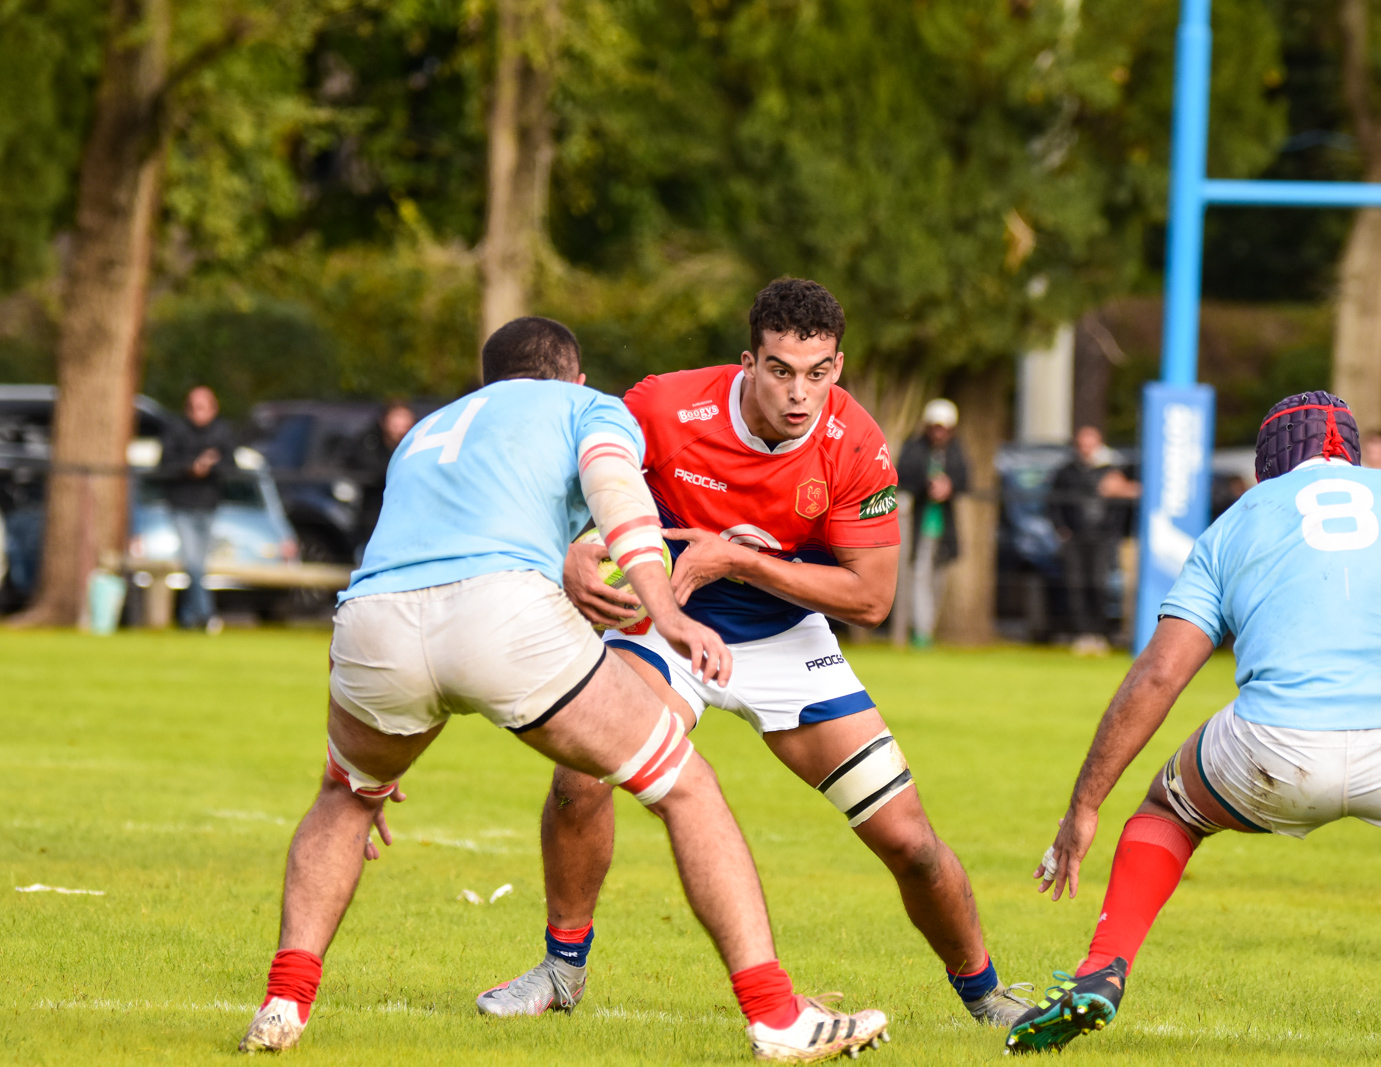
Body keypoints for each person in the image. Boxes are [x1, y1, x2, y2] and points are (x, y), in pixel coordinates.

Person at [238, 317, 887, 1062]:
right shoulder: (587, 407)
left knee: (345, 796)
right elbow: (622, 500)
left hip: (370, 623)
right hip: (500, 613)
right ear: (572, 377)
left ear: (491, 383)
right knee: (685, 785)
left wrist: (363, 759)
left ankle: (284, 1000)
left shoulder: (428, 427)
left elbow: (400, 556)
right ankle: (777, 1016)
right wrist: (668, 611)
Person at [477, 280, 1032, 1031]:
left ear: (838, 365)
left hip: (786, 639)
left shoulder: (857, 444)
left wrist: (737, 562)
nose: (800, 392)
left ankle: (986, 993)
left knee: (909, 841)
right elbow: (565, 474)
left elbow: (870, 597)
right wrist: (567, 552)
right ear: (749, 361)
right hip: (667, 624)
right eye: (780, 369)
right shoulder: (666, 406)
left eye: (819, 371)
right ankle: (561, 967)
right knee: (581, 778)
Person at [1005, 391, 1381, 1053]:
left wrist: (1084, 805)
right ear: (1350, 448)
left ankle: (1102, 969)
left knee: (1168, 807)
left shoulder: (1237, 520)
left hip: (1277, 748)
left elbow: (1160, 674)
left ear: (1270, 461)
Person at [1047, 425, 1140, 651]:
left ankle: (1099, 633)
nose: (1086, 448)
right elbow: (1053, 502)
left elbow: (1131, 496)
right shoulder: (1066, 471)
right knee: (1075, 585)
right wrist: (1061, 527)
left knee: (1099, 585)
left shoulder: (1113, 470)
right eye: (1082, 443)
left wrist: (1113, 528)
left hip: (1102, 538)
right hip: (1075, 538)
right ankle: (1081, 634)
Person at [157, 385, 235, 631]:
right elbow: (164, 466)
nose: (197, 412)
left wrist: (212, 466)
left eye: (202, 407)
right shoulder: (176, 430)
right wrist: (190, 468)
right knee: (193, 563)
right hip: (182, 505)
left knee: (198, 565)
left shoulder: (222, 432)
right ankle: (208, 615)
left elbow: (233, 468)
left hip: (209, 506)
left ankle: (188, 618)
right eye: (193, 406)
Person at [896, 398, 969, 647]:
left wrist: (949, 486)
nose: (939, 432)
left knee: (938, 580)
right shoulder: (914, 448)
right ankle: (920, 631)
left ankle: (927, 627)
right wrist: (927, 485)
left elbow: (965, 478)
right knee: (918, 575)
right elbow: (904, 476)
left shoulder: (955, 452)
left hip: (942, 527)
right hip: (917, 525)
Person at [349, 401, 417, 558]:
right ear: (384, 421)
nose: (401, 426)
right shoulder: (369, 443)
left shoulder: (417, 444)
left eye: (404, 419)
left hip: (406, 526)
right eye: (397, 419)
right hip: (373, 524)